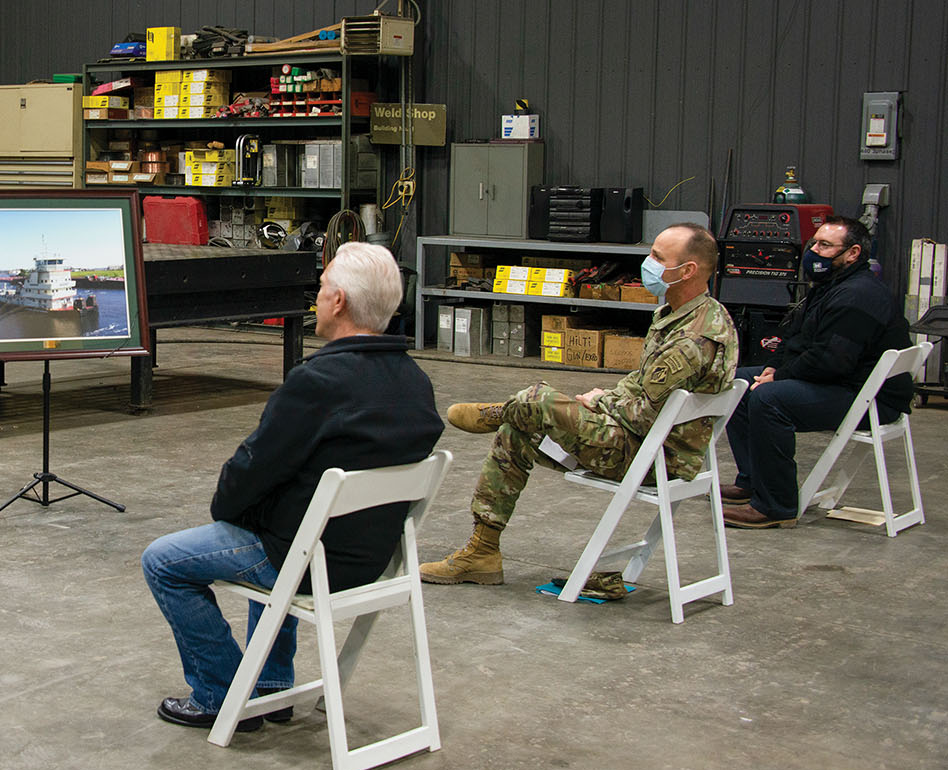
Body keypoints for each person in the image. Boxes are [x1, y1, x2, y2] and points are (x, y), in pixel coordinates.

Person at [141, 242, 443, 731]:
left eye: (322, 290)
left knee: (164, 561)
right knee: (286, 531)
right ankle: (270, 687)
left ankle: (222, 694)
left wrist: (235, 509)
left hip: (306, 561)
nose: (316, 299)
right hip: (371, 559)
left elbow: (246, 477)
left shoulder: (315, 383)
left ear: (339, 301)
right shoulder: (416, 383)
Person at [420, 223, 738, 599]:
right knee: (521, 428)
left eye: (657, 257)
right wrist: (608, 395)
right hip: (644, 441)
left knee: (539, 402)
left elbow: (645, 415)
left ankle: (505, 410)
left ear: (687, 271)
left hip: (651, 457)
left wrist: (601, 401)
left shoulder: (694, 337)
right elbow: (642, 383)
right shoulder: (682, 314)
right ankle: (483, 551)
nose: (647, 263)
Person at [720, 216, 913, 529]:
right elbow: (796, 337)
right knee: (739, 383)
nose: (814, 251)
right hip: (844, 382)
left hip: (869, 398)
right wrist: (773, 366)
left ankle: (775, 506)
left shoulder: (858, 295)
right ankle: (752, 481)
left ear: (852, 253)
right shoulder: (831, 287)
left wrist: (778, 378)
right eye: (814, 243)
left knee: (769, 399)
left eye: (825, 245)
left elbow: (830, 362)